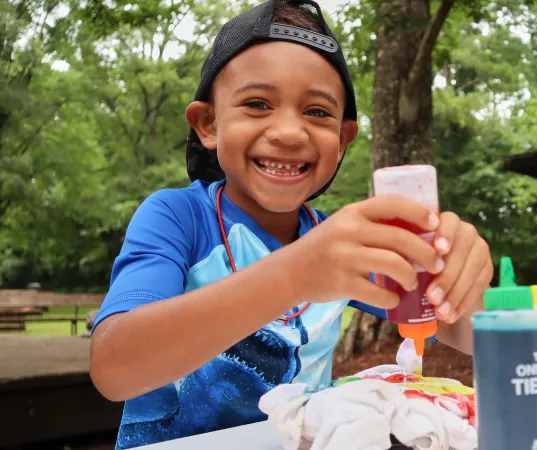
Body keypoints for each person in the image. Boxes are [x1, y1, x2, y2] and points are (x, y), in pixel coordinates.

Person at [87, 2, 493, 448]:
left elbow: (471, 334)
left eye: (317, 112)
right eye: (257, 104)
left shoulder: (346, 245)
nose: (288, 132)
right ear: (208, 123)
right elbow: (114, 367)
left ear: (342, 140)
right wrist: (294, 273)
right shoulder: (176, 217)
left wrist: (459, 280)